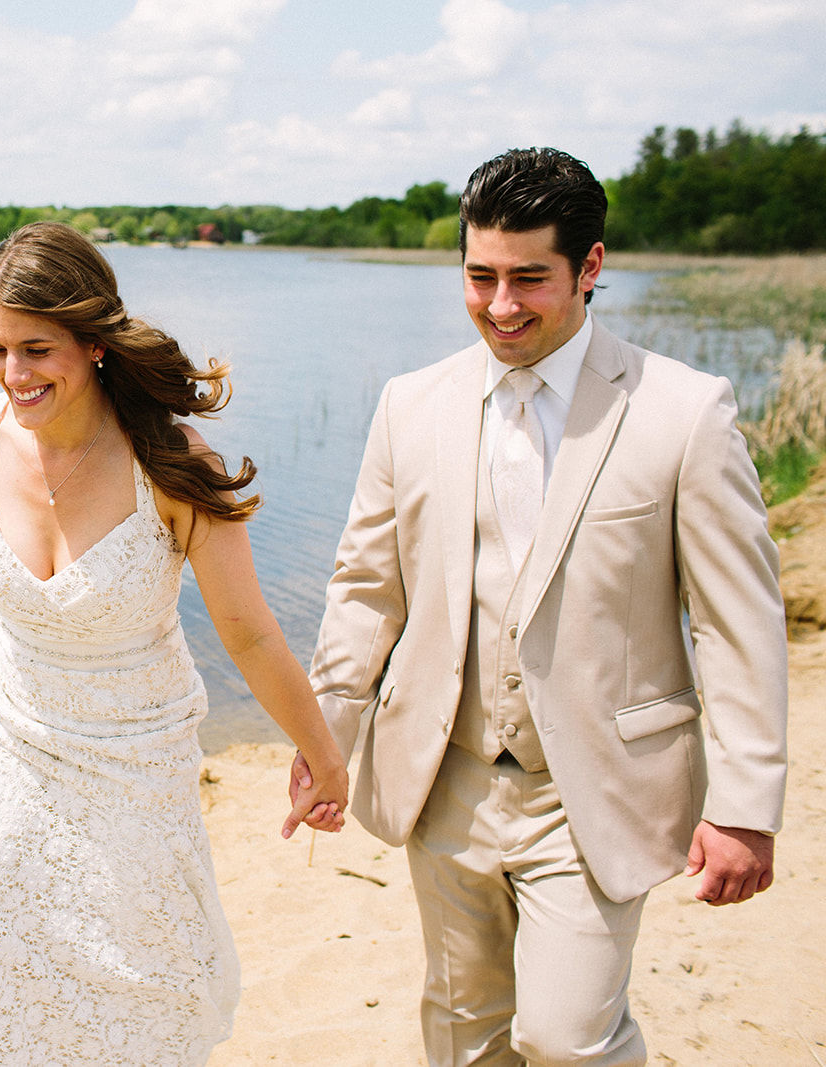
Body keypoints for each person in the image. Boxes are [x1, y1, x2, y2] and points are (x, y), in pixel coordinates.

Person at [294, 147, 788, 1066]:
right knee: (464, 1030)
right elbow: (366, 588)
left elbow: (737, 620)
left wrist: (747, 803)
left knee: (566, 1038)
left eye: (530, 279)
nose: (501, 306)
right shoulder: (410, 405)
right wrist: (327, 738)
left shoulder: (686, 410)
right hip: (443, 773)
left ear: (590, 267)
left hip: (598, 783)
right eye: (480, 278)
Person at [0, 221, 348, 1066]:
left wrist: (320, 751)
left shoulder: (173, 466)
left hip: (134, 759)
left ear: (95, 342)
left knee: (128, 988)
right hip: (4, 728)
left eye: (37, 349)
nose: (14, 374)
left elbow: (249, 632)